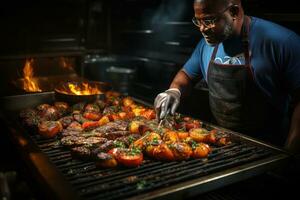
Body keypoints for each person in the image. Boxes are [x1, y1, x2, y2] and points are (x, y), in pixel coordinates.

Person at [154, 0, 300, 154]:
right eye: (198, 21)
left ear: (234, 12)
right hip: (220, 144)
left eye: (209, 20)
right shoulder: (206, 45)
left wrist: (290, 153)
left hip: (269, 147)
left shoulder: (282, 42)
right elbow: (187, 75)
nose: (202, 29)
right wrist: (174, 91)